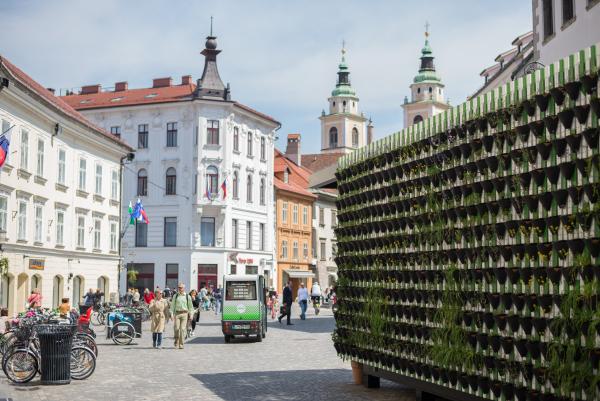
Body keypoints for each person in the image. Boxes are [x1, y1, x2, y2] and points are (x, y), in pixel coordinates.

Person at [170, 283, 194, 349]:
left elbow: (191, 307)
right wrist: (171, 314)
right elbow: (172, 306)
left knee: (182, 329)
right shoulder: (176, 296)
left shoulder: (187, 296)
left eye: (181, 287)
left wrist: (191, 315)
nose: (180, 289)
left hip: (184, 314)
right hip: (177, 314)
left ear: (184, 288)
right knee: (177, 329)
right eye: (179, 287)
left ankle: (181, 344)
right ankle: (176, 341)